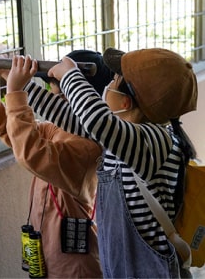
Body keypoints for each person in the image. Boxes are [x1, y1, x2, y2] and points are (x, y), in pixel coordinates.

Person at [18, 48, 198, 278]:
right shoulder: (125, 137)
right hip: (124, 268)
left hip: (150, 271)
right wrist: (16, 83)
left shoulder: (155, 141)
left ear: (125, 101)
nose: (108, 85)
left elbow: (96, 120)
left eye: (114, 79)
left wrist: (71, 76)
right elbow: (70, 117)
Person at [0, 50, 112, 278]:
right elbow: (16, 135)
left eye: (60, 96)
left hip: (75, 267)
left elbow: (30, 152)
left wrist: (15, 92)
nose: (53, 101)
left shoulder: (87, 148)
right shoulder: (60, 129)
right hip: (50, 253)